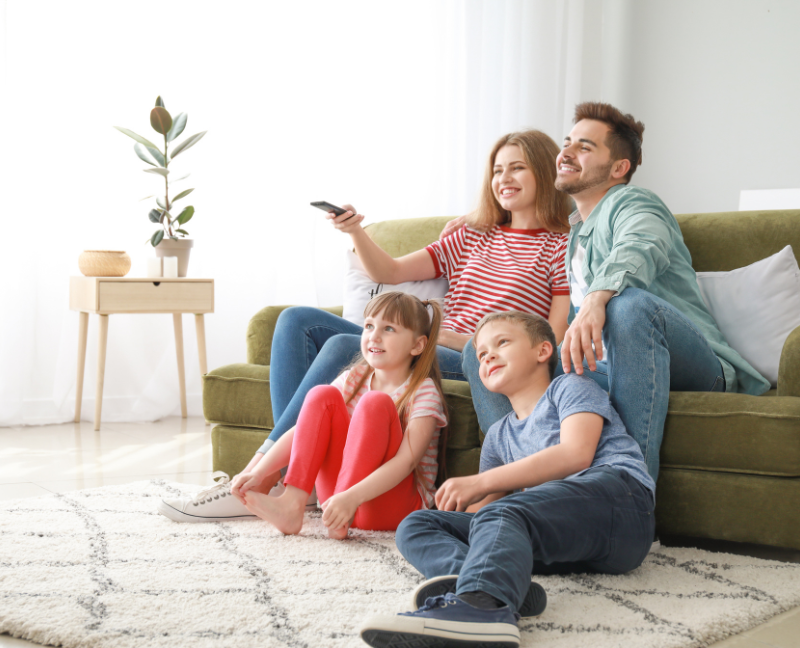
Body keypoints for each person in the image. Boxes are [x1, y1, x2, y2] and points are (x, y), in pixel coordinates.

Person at [462, 102, 770, 483]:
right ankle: (520, 490)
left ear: (618, 168)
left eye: (585, 147)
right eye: (568, 143)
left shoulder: (635, 203)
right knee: (482, 354)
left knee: (628, 308)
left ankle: (628, 495)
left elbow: (642, 245)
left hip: (689, 362)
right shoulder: (575, 234)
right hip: (605, 368)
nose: (567, 153)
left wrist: (596, 298)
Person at [263, 129, 573, 494]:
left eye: (516, 168)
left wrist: (454, 339)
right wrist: (355, 231)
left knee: (344, 347)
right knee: (297, 321)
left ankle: (269, 476)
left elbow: (550, 342)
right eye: (497, 170)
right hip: (430, 340)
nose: (503, 178)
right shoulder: (472, 234)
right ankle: (287, 472)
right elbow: (389, 273)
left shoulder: (561, 246)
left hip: (473, 355)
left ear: (543, 171)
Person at [359, 311, 656, 648]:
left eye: (502, 343)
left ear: (542, 351)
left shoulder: (570, 388)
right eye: (482, 353)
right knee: (417, 524)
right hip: (564, 544)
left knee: (505, 512)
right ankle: (485, 584)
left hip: (622, 508)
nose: (488, 356)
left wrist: (480, 483)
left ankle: (480, 609)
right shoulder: (499, 436)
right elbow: (483, 521)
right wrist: (461, 511)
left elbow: (577, 454)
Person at [159, 292, 448, 537]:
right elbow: (303, 430)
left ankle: (341, 509)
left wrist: (351, 498)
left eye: (389, 329)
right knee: (320, 396)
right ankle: (292, 504)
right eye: (369, 325)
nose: (374, 335)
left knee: (375, 404)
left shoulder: (423, 391)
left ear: (417, 345)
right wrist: (258, 472)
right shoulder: (355, 377)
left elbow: (406, 462)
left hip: (385, 506)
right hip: (336, 502)